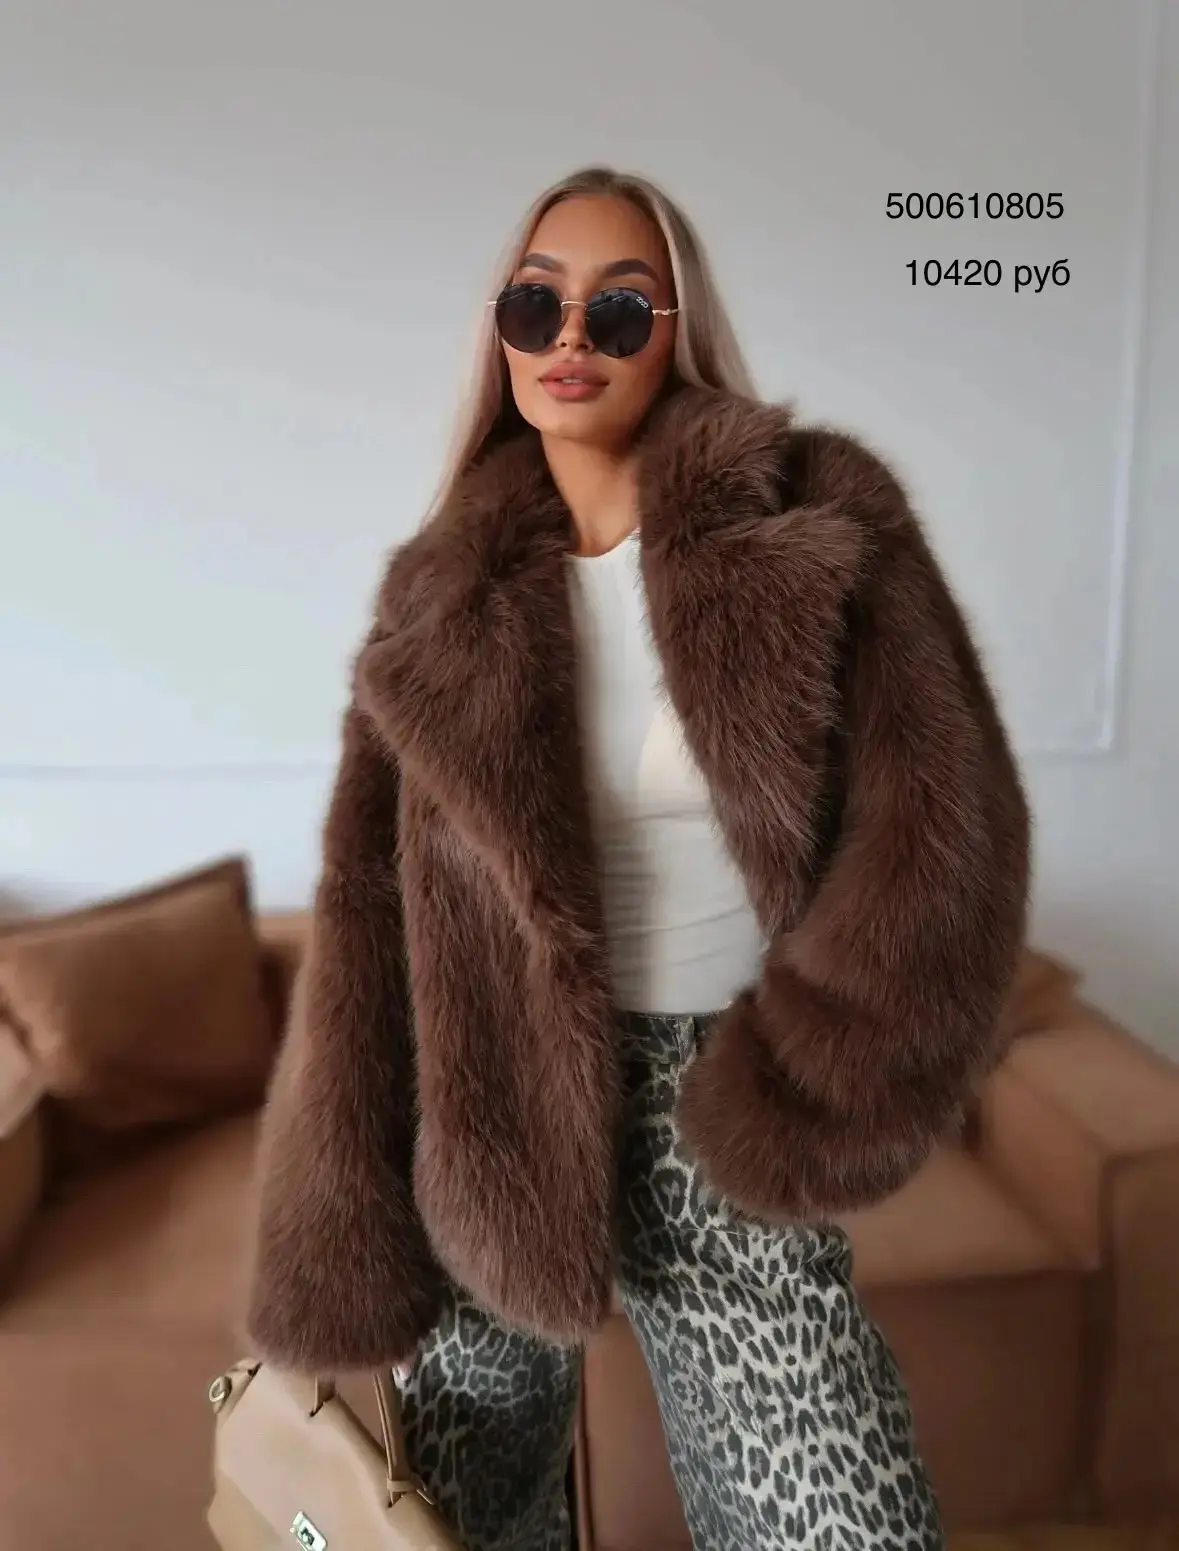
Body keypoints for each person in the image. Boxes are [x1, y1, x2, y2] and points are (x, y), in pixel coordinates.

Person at [245, 165, 1029, 1551]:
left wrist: (808, 1084)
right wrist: (344, 1205)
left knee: (844, 1522)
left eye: (616, 309)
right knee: (457, 1520)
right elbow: (364, 915)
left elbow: (943, 827)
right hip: (491, 1101)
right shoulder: (438, 595)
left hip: (723, 1091)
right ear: (499, 332)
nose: (569, 338)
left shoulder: (817, 518)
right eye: (535, 304)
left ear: (675, 331)